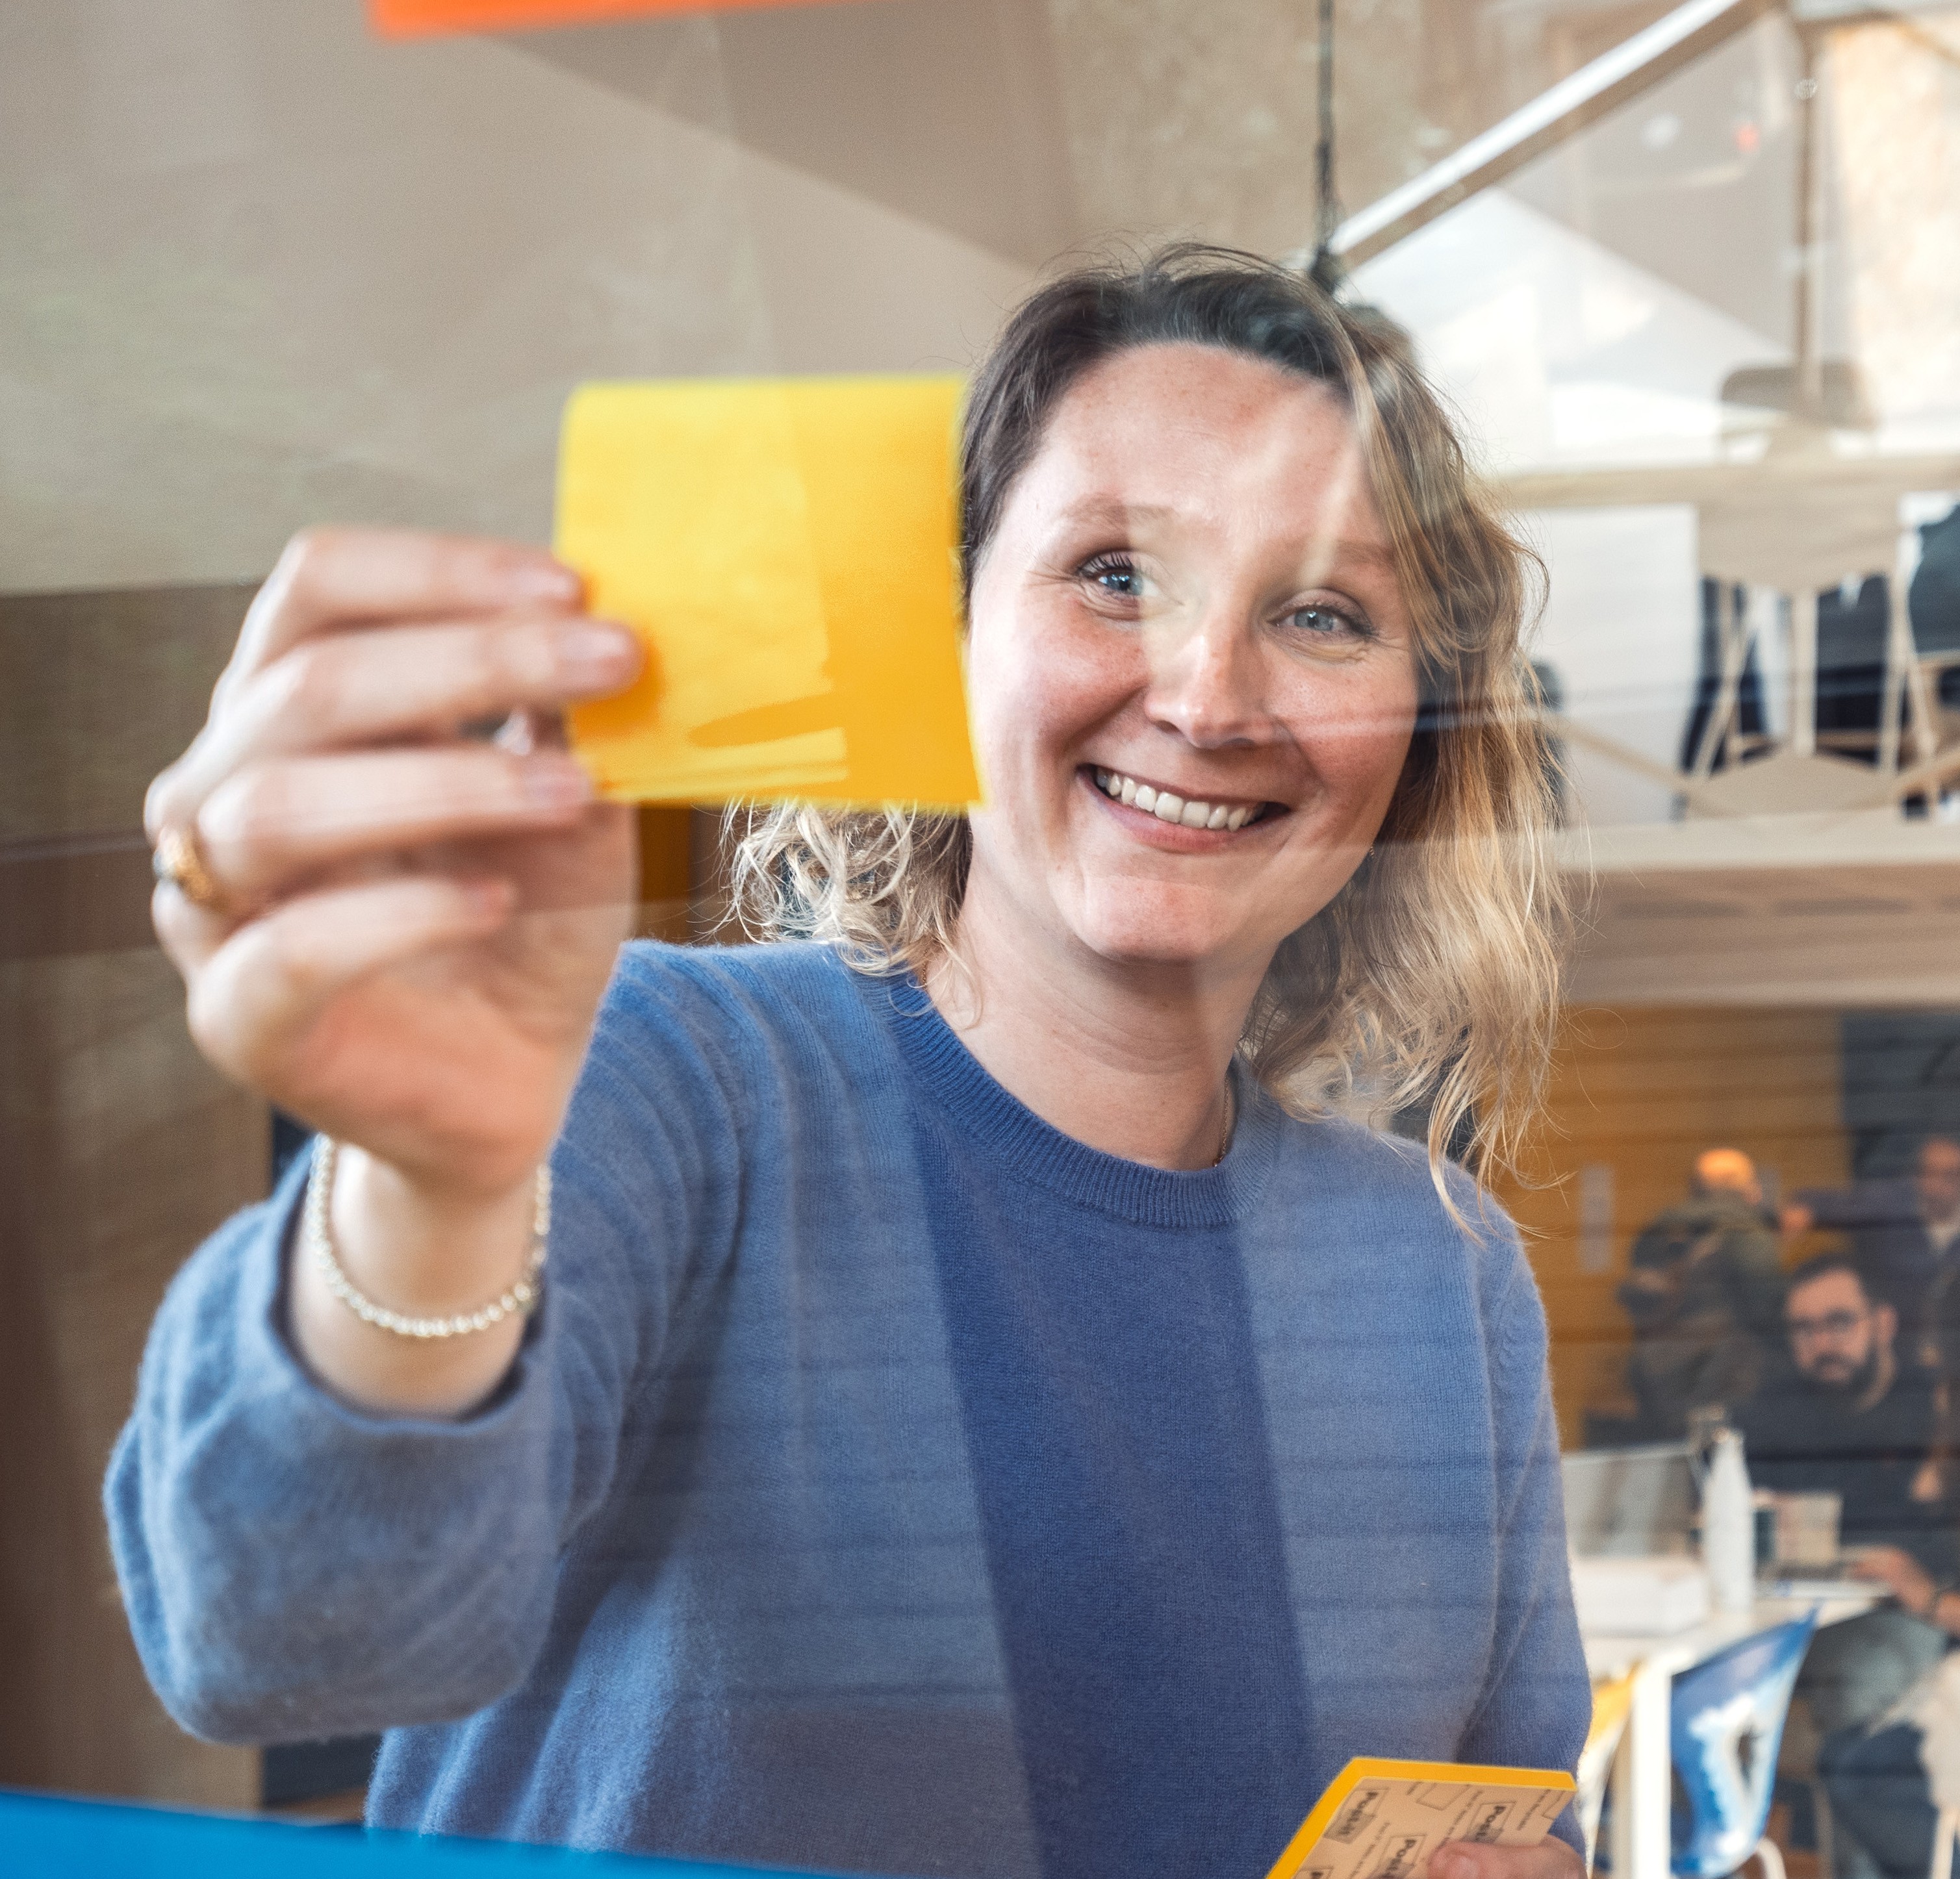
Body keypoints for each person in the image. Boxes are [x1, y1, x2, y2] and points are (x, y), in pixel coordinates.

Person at [108, 249, 1590, 1879]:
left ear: (1419, 722)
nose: (1206, 694)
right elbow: (284, 1641)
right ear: (938, 638)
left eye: (1322, 614)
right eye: (1112, 574)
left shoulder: (1439, 1274)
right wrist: (433, 1185)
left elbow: (1507, 1825)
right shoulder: (669, 1080)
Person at [1737, 1255, 1954, 1879]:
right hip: (1792, 1609)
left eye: (1838, 1322)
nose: (1821, 1342)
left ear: (1883, 1323)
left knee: (1858, 1682)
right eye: (1803, 1328)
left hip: (1904, 1612)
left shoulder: (1929, 1412)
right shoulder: (1776, 1412)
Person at [1613, 1148, 1785, 1442]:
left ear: (1694, 1190)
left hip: (1655, 1377)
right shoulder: (1747, 1232)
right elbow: (1768, 1310)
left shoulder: (1657, 1232)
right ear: (1751, 1190)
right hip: (1727, 1382)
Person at [1785, 1138, 1960, 1354]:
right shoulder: (1892, 1206)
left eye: (1950, 1176)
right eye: (1927, 1173)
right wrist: (1807, 1210)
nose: (1935, 1186)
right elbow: (1840, 1205)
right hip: (1895, 1344)